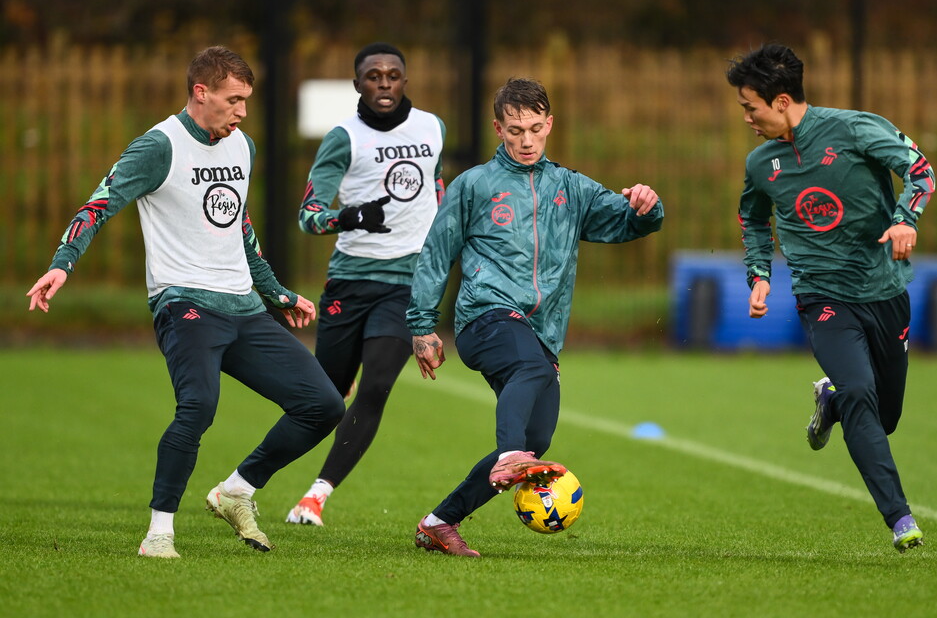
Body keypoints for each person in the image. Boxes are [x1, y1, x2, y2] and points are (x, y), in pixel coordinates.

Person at [26, 46, 345, 559]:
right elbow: (99, 203)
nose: (242, 111)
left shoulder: (242, 145)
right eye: (233, 100)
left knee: (324, 405)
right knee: (199, 405)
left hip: (243, 306)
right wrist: (63, 262)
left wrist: (276, 293)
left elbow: (239, 229)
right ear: (201, 93)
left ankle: (236, 490)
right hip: (184, 303)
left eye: (246, 100)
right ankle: (159, 533)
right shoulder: (159, 146)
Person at [407, 77, 664, 557]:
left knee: (535, 443)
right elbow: (436, 254)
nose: (525, 140)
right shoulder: (474, 185)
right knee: (523, 406)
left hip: (541, 335)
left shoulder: (570, 186)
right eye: (514, 130)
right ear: (497, 129)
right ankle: (508, 456)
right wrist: (422, 325)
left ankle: (439, 522)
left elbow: (626, 220)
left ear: (550, 124)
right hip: (485, 319)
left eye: (534, 129)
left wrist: (646, 207)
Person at [726, 44, 935, 552]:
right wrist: (759, 275)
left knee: (882, 416)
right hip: (821, 297)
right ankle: (900, 517)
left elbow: (921, 171)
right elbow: (752, 217)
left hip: (884, 291)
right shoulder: (760, 164)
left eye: (750, 107)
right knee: (861, 392)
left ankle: (832, 400)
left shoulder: (856, 129)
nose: (747, 118)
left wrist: (905, 219)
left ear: (780, 101)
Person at [286, 42, 445, 526]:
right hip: (350, 282)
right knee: (327, 400)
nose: (383, 83)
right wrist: (349, 216)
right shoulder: (343, 139)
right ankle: (243, 484)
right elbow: (308, 217)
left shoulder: (433, 128)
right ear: (357, 84)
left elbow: (436, 191)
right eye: (373, 76)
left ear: (405, 81)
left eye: (392, 75)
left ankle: (317, 494)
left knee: (376, 385)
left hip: (408, 283)